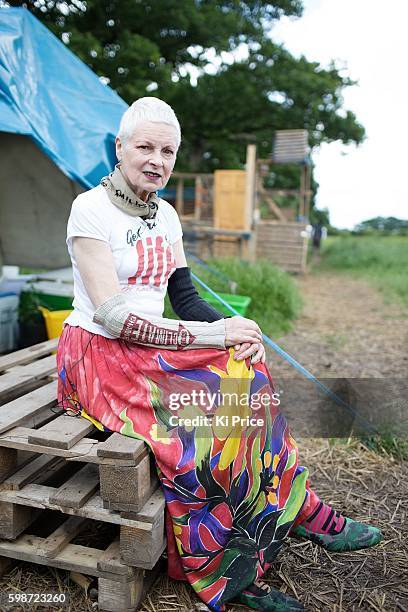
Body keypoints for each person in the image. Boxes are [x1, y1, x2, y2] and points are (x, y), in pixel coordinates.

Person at [57, 97, 382, 612]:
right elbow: (115, 317)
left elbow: (185, 300)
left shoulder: (165, 214)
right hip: (100, 355)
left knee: (248, 371)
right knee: (197, 428)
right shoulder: (89, 209)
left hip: (151, 344)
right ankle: (227, 570)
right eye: (144, 146)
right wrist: (212, 338)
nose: (156, 160)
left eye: (167, 151)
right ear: (119, 149)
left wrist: (236, 329)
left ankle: (300, 507)